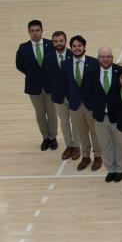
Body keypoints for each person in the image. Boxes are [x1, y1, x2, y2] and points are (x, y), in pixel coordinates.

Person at [16, 20, 57, 151]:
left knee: (52, 113)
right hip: (33, 87)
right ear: (29, 32)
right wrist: (32, 75)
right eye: (32, 31)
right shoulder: (23, 48)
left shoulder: (51, 45)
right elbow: (19, 65)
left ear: (42, 31)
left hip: (50, 86)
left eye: (37, 30)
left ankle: (53, 137)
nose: (35, 33)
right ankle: (45, 137)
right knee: (40, 114)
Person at [63, 35, 101, 171]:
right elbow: (66, 84)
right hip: (75, 105)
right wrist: (71, 99)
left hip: (91, 105)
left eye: (79, 46)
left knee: (95, 131)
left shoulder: (93, 62)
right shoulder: (66, 63)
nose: (77, 48)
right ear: (71, 48)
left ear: (84, 47)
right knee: (81, 132)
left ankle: (97, 156)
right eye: (74, 46)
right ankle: (85, 156)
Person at [90, 47, 122, 183]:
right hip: (100, 116)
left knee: (119, 144)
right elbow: (88, 92)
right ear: (98, 58)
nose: (105, 59)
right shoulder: (92, 72)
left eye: (108, 56)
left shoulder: (121, 72)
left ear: (112, 57)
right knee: (105, 145)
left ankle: (120, 169)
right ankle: (111, 169)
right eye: (102, 57)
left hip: (117, 116)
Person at [43, 30, 78, 160]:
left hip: (73, 96)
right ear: (53, 42)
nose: (58, 43)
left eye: (61, 41)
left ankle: (76, 146)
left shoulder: (73, 55)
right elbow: (46, 76)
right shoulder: (48, 57)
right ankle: (69, 145)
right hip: (58, 97)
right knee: (64, 122)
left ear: (65, 41)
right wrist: (51, 91)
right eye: (56, 41)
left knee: (75, 122)